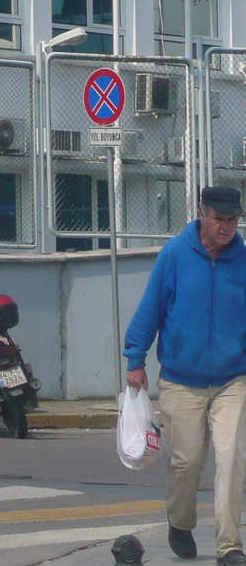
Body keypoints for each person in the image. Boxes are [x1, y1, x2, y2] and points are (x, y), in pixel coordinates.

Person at [125, 186, 246, 566]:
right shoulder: (175, 255)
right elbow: (151, 308)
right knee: (185, 463)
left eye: (232, 220)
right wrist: (135, 357)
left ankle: (229, 546)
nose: (226, 227)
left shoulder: (244, 260)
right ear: (201, 214)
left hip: (233, 378)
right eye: (219, 219)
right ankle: (180, 522)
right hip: (180, 378)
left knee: (231, 460)